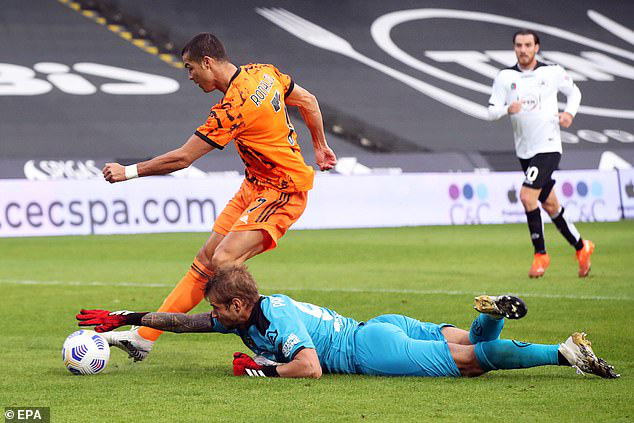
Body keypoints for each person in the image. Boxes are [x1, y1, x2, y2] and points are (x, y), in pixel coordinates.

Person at [100, 33, 337, 361]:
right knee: (206, 262)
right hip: (254, 187)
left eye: (190, 68)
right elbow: (308, 101)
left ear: (207, 62)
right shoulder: (263, 72)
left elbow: (183, 158)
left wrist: (127, 172)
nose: (190, 76)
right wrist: (321, 146)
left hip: (284, 189)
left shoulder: (233, 107)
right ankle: (143, 338)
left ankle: (273, 344)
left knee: (224, 261)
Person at [77, 265, 618, 379]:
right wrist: (131, 317)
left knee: (472, 363)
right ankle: (488, 315)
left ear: (240, 306)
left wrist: (258, 374)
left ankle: (562, 352)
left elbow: (309, 368)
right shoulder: (249, 317)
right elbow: (190, 324)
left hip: (368, 352)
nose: (213, 314)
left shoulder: (276, 320)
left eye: (220, 307)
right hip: (375, 327)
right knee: (463, 341)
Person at [488, 29, 594, 278]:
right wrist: (506, 108)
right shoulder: (505, 77)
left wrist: (569, 113)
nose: (522, 49)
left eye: (527, 45)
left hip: (548, 147)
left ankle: (540, 255)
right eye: (518, 45)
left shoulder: (552, 72)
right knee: (550, 204)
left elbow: (574, 92)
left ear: (537, 47)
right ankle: (582, 247)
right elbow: (490, 111)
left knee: (527, 197)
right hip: (524, 151)